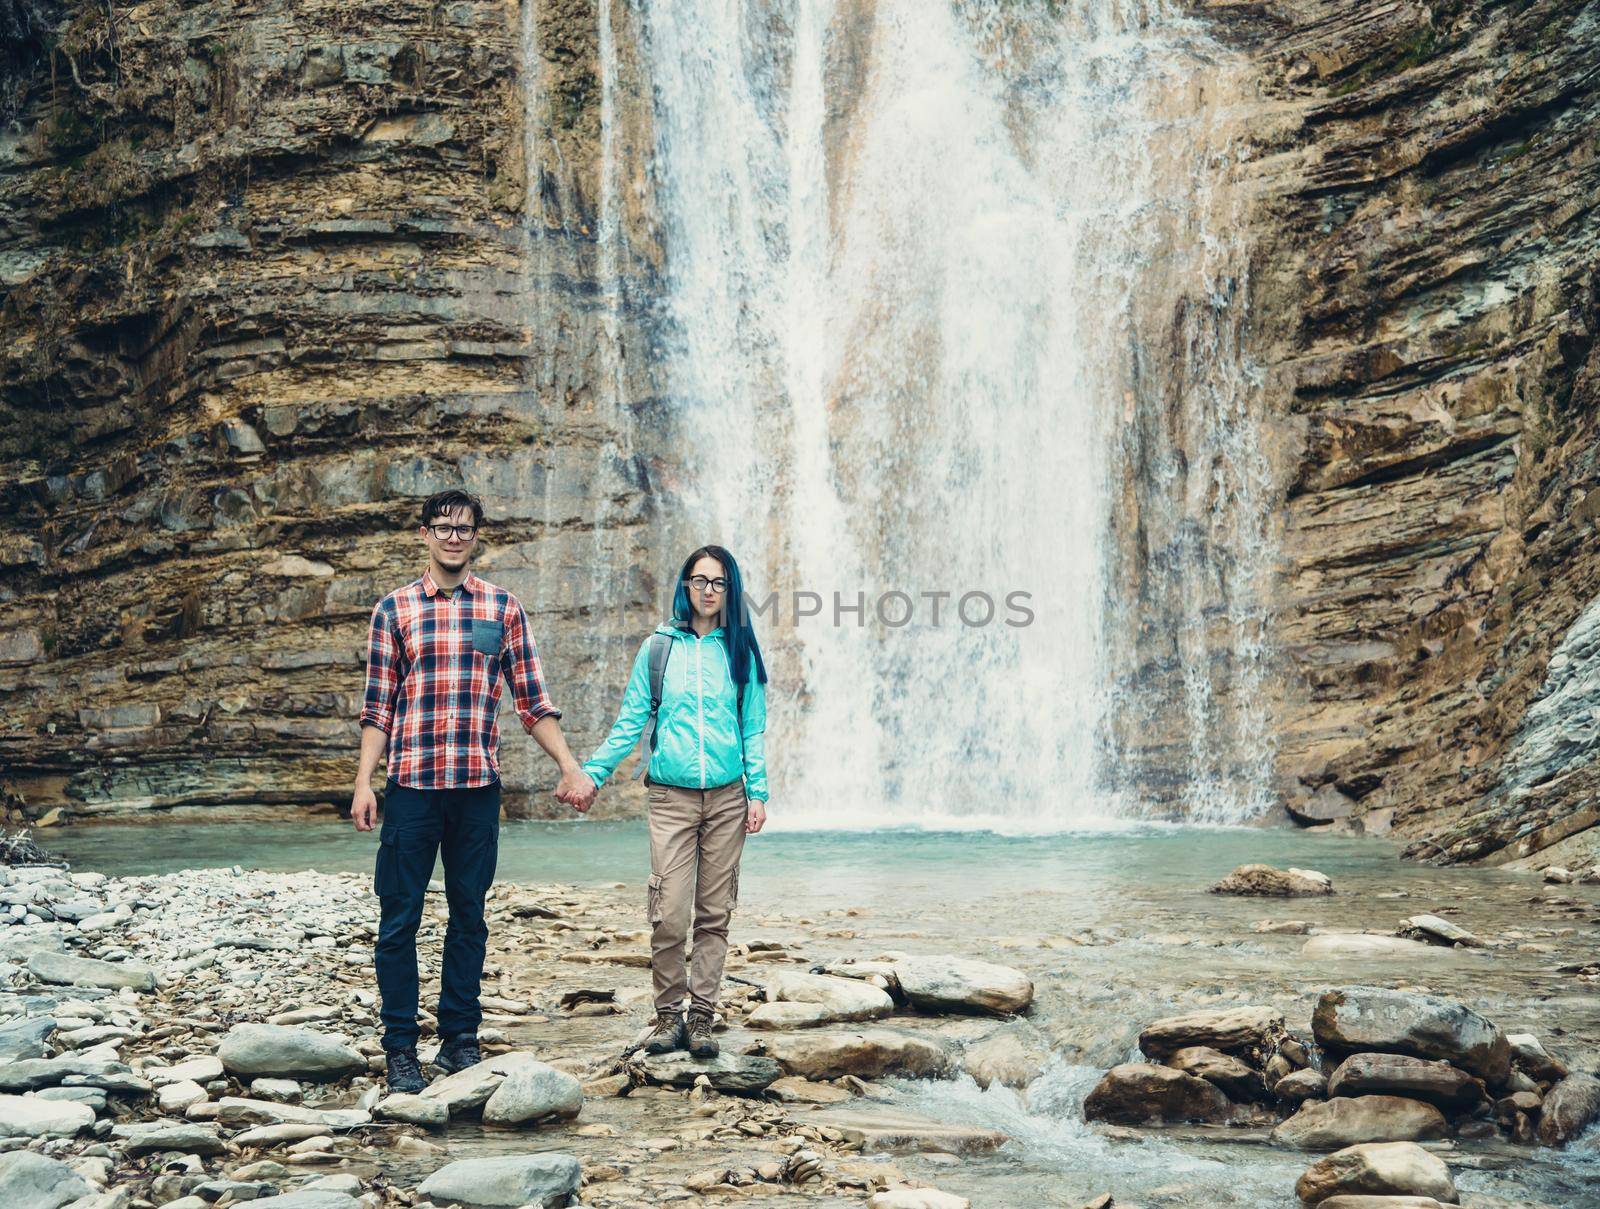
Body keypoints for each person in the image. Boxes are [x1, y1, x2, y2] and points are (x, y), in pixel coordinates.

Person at [352, 488, 596, 1093]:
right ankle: (400, 1047)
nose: (453, 536)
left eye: (463, 527)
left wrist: (569, 765)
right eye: (442, 526)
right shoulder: (395, 610)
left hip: (477, 787)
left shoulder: (503, 609)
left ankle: (460, 1039)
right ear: (424, 534)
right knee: (399, 919)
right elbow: (377, 707)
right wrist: (363, 782)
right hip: (411, 787)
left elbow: (532, 702)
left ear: (477, 535)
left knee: (470, 916)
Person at [581, 545, 769, 1058]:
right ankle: (668, 1016)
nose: (708, 590)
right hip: (671, 798)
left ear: (730, 590)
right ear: (684, 585)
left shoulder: (741, 650)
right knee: (668, 912)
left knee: (714, 913)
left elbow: (752, 728)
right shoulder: (658, 648)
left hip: (729, 798)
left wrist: (759, 793)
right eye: (698, 580)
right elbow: (630, 722)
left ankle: (702, 1018)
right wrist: (592, 774)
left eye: (718, 582)